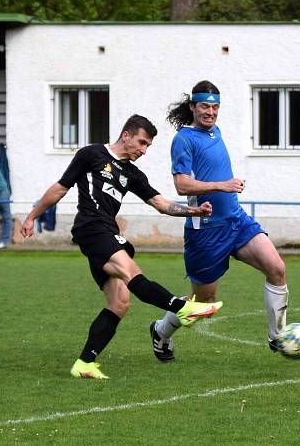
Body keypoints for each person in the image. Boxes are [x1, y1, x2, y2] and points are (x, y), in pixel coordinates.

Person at [21, 114, 223, 380]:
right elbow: (60, 188)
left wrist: (193, 210)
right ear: (126, 135)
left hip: (107, 233)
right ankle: (183, 309)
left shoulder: (132, 174)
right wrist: (32, 216)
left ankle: (85, 363)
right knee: (131, 271)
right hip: (92, 228)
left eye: (148, 146)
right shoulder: (91, 154)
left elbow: (161, 204)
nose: (143, 150)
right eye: (141, 142)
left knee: (120, 302)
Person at [149, 80, 289, 362]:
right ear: (192, 107)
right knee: (203, 303)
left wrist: (226, 190)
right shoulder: (184, 139)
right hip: (206, 232)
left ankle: (278, 338)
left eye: (215, 107)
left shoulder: (215, 131)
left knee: (277, 268)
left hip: (236, 221)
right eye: (204, 106)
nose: (210, 112)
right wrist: (222, 185)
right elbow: (182, 185)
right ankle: (161, 331)